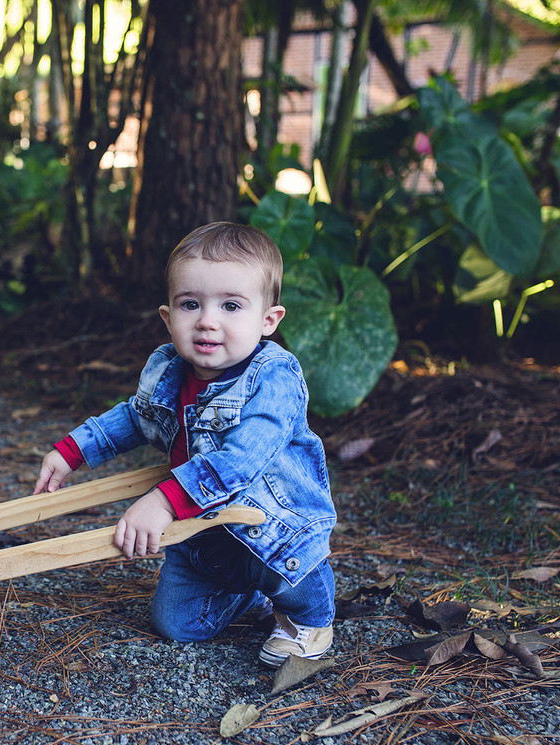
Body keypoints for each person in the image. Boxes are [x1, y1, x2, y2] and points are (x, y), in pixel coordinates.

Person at [33, 221, 336, 666]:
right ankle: (244, 594)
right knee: (176, 625)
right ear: (168, 317)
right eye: (190, 304)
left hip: (269, 529)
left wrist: (164, 500)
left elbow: (240, 460)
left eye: (231, 306)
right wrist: (72, 451)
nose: (207, 322)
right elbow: (135, 418)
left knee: (287, 571)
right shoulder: (169, 370)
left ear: (268, 320)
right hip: (201, 536)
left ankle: (310, 620)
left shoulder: (273, 379)